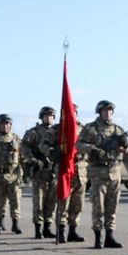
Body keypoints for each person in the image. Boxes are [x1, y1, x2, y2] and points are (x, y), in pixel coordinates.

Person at [78, 100, 128, 248]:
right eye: (105, 111)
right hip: (98, 172)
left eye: (110, 111)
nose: (108, 113)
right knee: (98, 207)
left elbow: (125, 149)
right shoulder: (90, 128)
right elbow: (79, 145)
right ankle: (98, 237)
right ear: (99, 112)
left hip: (115, 171)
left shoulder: (118, 129)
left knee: (112, 207)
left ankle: (109, 237)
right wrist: (93, 149)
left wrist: (125, 144)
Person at [21, 107, 59, 239]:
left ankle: (47, 227)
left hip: (53, 171)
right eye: (46, 116)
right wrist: (33, 160)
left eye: (51, 116)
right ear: (41, 117)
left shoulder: (58, 131)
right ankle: (38, 228)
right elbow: (24, 148)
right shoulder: (34, 132)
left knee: (51, 201)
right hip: (39, 172)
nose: (48, 118)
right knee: (39, 201)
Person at [55, 102, 87, 243]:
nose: (71, 114)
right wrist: (52, 152)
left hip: (80, 170)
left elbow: (91, 145)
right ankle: (60, 231)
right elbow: (44, 144)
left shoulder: (84, 130)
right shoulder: (58, 130)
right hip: (65, 171)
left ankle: (72, 231)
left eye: (73, 112)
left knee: (77, 204)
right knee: (63, 203)